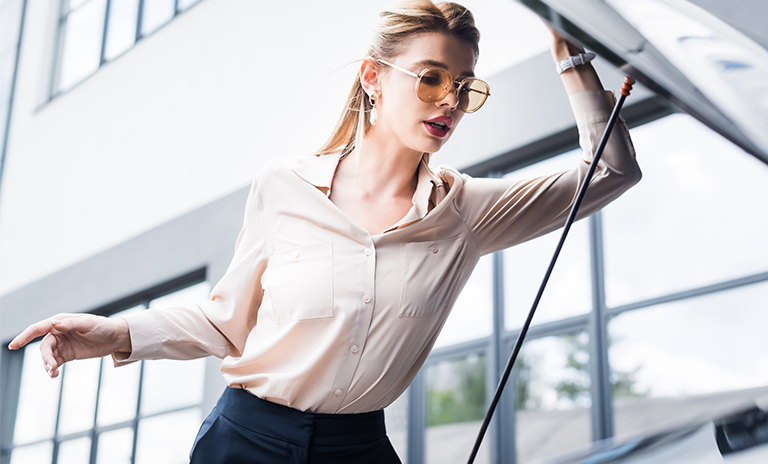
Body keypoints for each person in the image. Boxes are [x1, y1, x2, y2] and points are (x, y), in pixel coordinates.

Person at [8, 1, 641, 462]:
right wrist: (114, 333)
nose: (448, 100)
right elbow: (227, 322)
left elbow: (610, 173)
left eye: (464, 87)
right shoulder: (283, 188)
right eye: (430, 78)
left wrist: (573, 61)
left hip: (358, 450)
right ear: (373, 78)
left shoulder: (465, 212)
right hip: (245, 441)